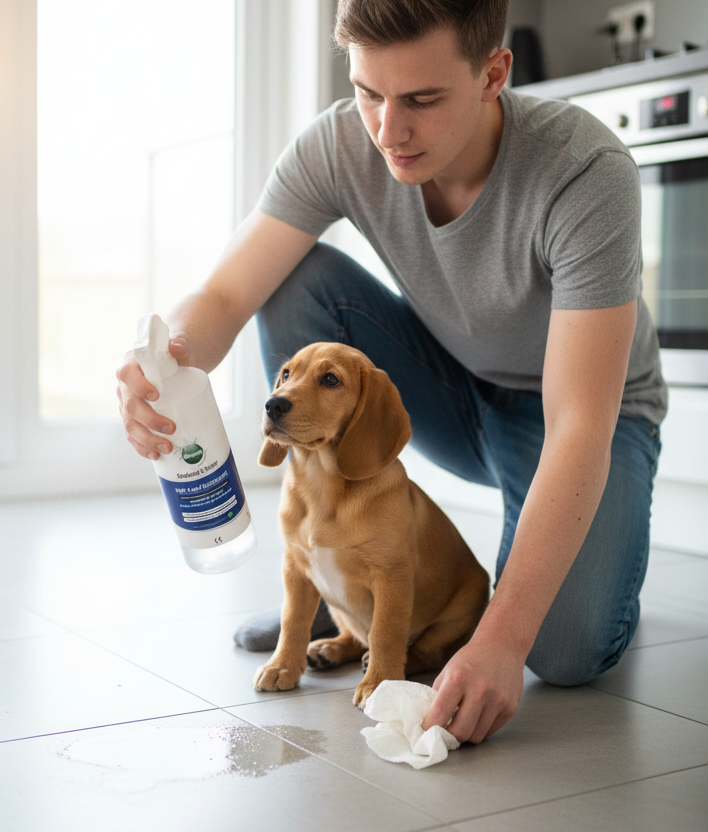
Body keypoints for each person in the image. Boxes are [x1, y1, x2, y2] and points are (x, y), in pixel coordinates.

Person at [116, 0, 666, 745]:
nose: (387, 130)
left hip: (580, 415)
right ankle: (328, 586)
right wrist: (161, 363)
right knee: (294, 277)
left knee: (562, 651)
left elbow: (579, 422)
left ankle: (531, 575)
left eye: (423, 100)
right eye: (369, 93)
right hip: (455, 388)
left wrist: (500, 639)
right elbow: (223, 295)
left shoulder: (583, 170)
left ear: (493, 73)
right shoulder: (341, 143)